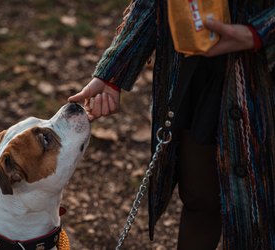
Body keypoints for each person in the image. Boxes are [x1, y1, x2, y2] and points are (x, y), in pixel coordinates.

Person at [68, 1, 275, 249]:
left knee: (261, 206)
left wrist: (261, 31)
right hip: (197, 68)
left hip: (263, 75)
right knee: (199, 196)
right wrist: (114, 70)